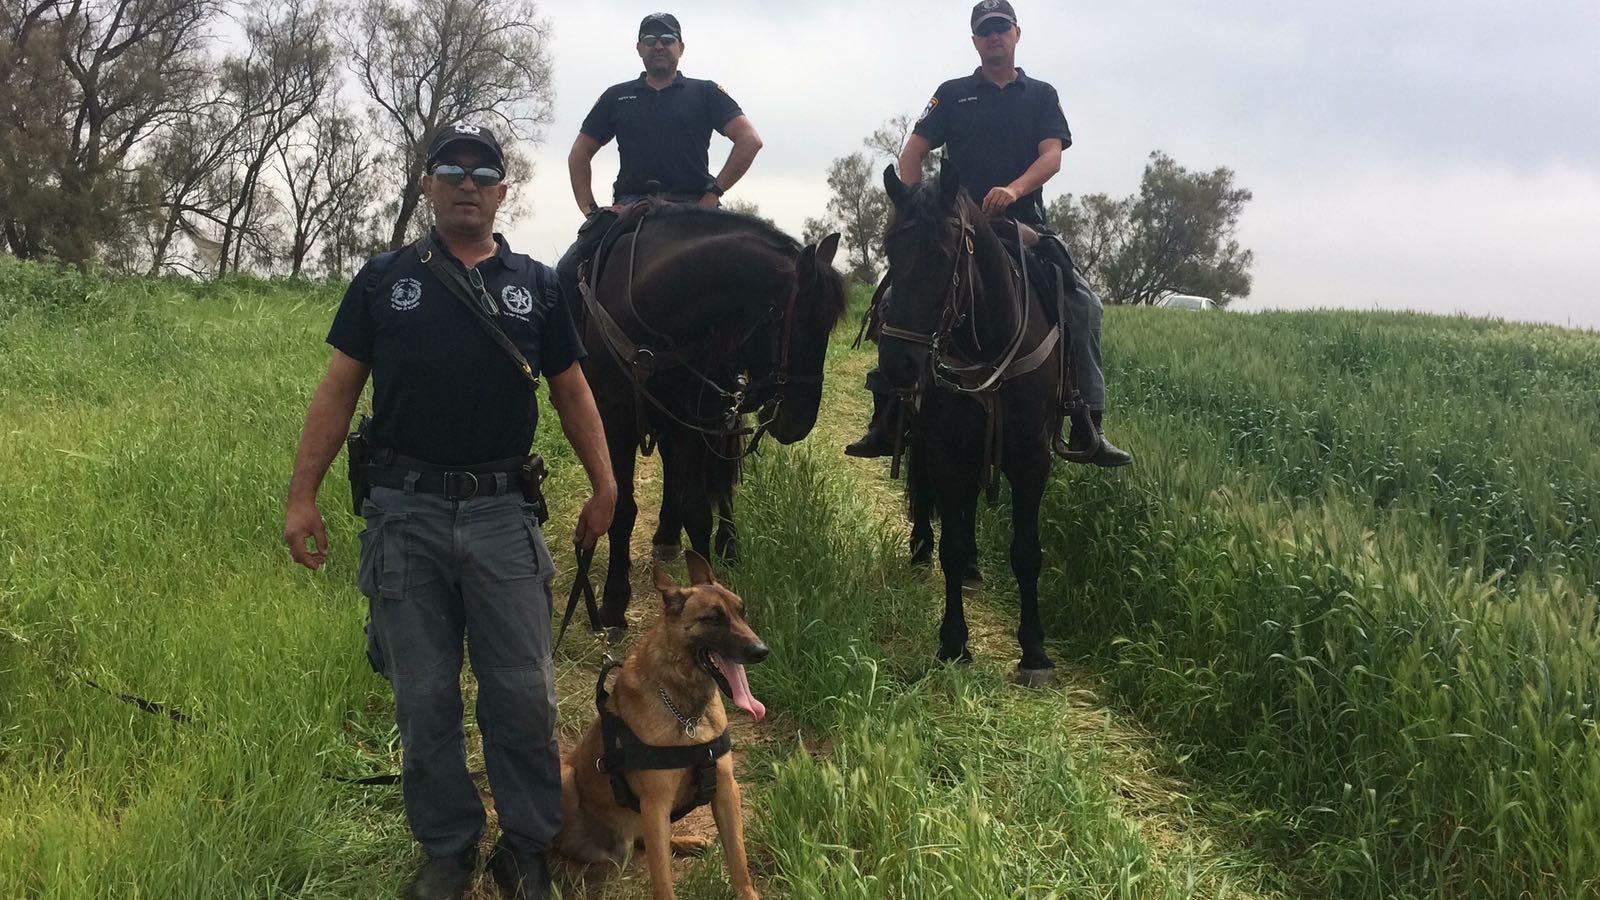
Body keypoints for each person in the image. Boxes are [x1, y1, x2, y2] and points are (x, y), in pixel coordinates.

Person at [282, 122, 617, 900]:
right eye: (451, 170)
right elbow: (338, 391)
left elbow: (571, 390)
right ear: (427, 186)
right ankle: (447, 846)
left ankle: (527, 844)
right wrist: (303, 496)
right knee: (424, 692)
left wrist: (606, 486)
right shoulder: (381, 281)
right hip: (406, 517)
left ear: (503, 193)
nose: (468, 183)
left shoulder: (538, 284)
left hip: (503, 516)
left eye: (484, 173)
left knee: (522, 692)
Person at [846, 0, 1133, 468]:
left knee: (1084, 304)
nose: (994, 36)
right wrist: (922, 211)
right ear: (975, 40)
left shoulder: (1041, 95)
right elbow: (913, 151)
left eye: (1002, 28)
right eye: (985, 30)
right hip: (954, 229)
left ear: (1017, 34)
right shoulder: (951, 94)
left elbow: (1052, 156)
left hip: (1023, 227)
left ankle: (1086, 419)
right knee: (892, 298)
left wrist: (1015, 189)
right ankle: (888, 414)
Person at [556, 11, 764, 312]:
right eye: (650, 39)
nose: (659, 46)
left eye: (668, 39)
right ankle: (569, 357)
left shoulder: (705, 93)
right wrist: (592, 212)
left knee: (750, 272)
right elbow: (579, 154)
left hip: (694, 207)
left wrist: (713, 194)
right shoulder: (617, 97)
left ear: (681, 48)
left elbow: (750, 140)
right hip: (631, 207)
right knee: (566, 271)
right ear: (639, 48)